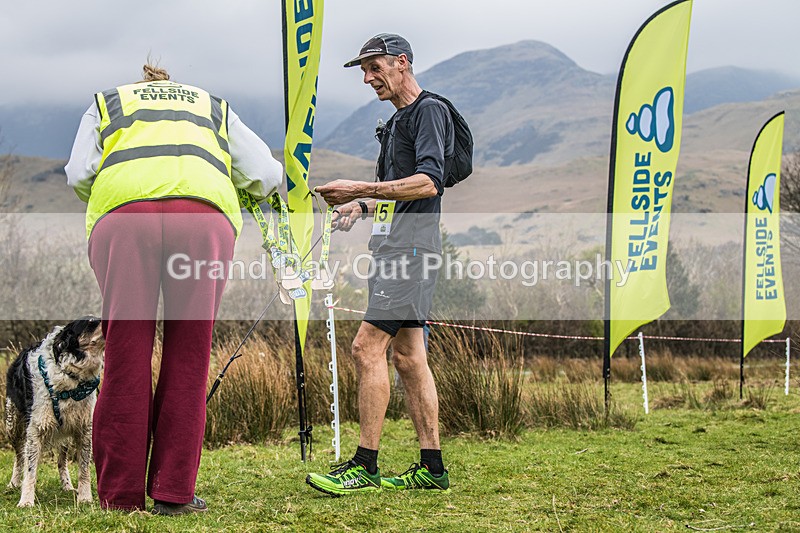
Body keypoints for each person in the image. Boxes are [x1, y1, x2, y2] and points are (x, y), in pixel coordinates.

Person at [64, 62, 283, 514]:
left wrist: (119, 192)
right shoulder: (213, 106)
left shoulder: (109, 102)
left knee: (125, 351)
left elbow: (78, 174)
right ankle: (173, 492)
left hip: (125, 219)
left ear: (143, 87)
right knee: (189, 353)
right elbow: (265, 174)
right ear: (174, 86)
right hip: (203, 221)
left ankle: (120, 497)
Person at [308, 33, 453, 495]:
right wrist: (361, 208)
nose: (369, 78)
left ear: (402, 63)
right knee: (410, 358)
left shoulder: (428, 111)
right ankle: (432, 469)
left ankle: (364, 465)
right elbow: (400, 193)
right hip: (397, 248)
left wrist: (360, 189)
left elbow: (429, 183)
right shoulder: (395, 124)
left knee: (365, 349)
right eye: (364, 71)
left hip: (411, 253)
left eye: (376, 68)